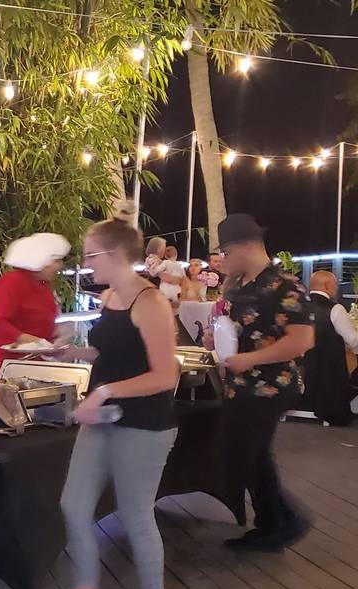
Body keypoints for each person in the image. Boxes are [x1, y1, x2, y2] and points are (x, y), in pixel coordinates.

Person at [50, 220, 179, 589]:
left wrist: (103, 391)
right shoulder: (110, 297)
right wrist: (72, 351)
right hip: (102, 418)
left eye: (90, 255)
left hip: (144, 424)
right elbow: (111, 352)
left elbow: (165, 376)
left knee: (135, 514)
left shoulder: (150, 302)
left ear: (115, 255)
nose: (85, 264)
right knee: (73, 505)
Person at [202, 215, 314, 553]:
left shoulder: (285, 286)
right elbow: (236, 328)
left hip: (271, 386)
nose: (223, 260)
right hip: (242, 384)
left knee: (246, 453)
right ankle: (273, 524)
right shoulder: (238, 285)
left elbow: (301, 340)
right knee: (252, 454)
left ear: (241, 247)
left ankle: (284, 520)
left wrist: (250, 359)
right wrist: (215, 337)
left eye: (225, 252)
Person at [0, 233, 71, 379]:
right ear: (40, 260)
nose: (59, 266)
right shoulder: (11, 282)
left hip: (34, 367)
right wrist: (36, 342)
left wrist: (56, 339)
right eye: (56, 261)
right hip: (1, 367)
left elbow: (41, 321)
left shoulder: (43, 285)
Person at [302, 271, 357, 425]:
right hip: (328, 372)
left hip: (303, 367)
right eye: (335, 285)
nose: (337, 288)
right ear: (327, 285)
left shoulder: (299, 306)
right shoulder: (335, 309)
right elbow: (352, 339)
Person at [145, 237, 185, 303]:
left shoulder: (161, 261)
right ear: (159, 249)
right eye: (164, 248)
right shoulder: (153, 260)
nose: (165, 250)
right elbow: (164, 277)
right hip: (158, 295)